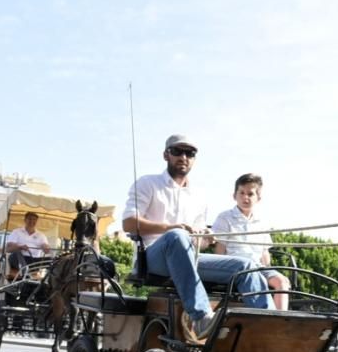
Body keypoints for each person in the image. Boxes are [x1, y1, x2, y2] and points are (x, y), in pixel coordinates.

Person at [122, 134, 274, 339]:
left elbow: (198, 242)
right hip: (152, 258)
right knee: (176, 236)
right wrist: (170, 228)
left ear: (194, 159)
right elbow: (128, 223)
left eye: (190, 153)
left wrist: (207, 238)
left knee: (246, 266)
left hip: (188, 258)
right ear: (166, 155)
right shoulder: (148, 184)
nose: (183, 156)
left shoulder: (199, 196)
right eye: (177, 151)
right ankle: (201, 316)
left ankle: (271, 327)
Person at [212, 173, 292, 311]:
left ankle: (282, 318)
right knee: (255, 278)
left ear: (258, 198)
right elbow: (220, 249)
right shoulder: (225, 217)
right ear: (234, 195)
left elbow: (264, 253)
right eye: (241, 193)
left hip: (258, 267)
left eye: (250, 194)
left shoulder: (261, 221)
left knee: (282, 281)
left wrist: (268, 270)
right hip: (236, 267)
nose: (245, 197)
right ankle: (265, 314)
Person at [6, 211, 52, 276]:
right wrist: (20, 247)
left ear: (36, 221)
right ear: (25, 220)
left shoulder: (41, 235)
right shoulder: (16, 232)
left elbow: (45, 247)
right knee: (16, 254)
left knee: (52, 261)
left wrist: (46, 248)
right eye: (30, 219)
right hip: (19, 259)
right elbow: (8, 248)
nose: (32, 221)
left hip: (34, 261)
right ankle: (25, 273)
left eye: (34, 220)